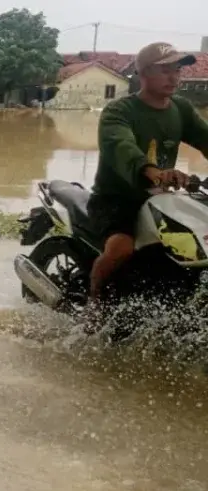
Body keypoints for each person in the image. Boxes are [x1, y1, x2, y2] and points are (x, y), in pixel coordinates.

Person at [87, 42, 208, 313]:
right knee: (121, 249)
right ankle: (93, 307)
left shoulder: (181, 109)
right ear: (143, 73)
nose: (174, 77)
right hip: (117, 200)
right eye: (165, 70)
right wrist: (152, 171)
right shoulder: (120, 111)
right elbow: (122, 146)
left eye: (177, 70)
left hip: (161, 199)